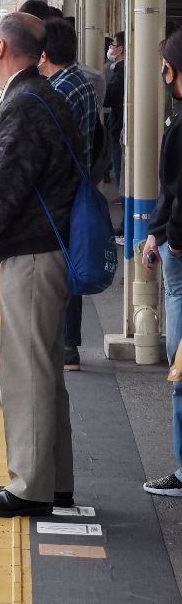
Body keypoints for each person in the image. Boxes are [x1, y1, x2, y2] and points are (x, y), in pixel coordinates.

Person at [0, 12, 81, 517]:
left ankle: (30, 486)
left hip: (31, 254)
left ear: (3, 48)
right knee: (45, 370)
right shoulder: (44, 96)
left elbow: (2, 187)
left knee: (27, 372)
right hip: (47, 248)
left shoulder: (24, 104)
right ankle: (56, 481)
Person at [37, 17, 97, 372]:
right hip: (79, 187)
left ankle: (67, 344)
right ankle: (69, 343)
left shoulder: (58, 91)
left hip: (63, 194)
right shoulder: (80, 81)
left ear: (44, 54)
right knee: (69, 268)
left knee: (63, 270)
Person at [140, 28, 182, 497]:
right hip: (172, 245)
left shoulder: (180, 122)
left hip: (181, 261)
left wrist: (170, 243)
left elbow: (174, 191)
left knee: (180, 369)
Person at [105, 32, 126, 192]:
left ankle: (122, 191)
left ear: (120, 49)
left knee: (119, 156)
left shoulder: (120, 72)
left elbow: (109, 98)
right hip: (121, 121)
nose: (110, 48)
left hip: (119, 122)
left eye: (113, 45)